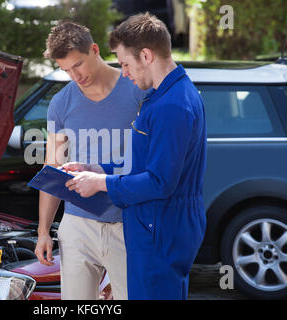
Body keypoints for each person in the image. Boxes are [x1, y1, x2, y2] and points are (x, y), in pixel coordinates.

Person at [63, 13, 207, 300]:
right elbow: (142, 161)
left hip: (160, 228)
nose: (124, 73)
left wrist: (101, 183)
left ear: (146, 55)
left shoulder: (172, 106)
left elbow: (160, 182)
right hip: (156, 225)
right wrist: (95, 168)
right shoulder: (162, 97)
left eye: (126, 64)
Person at [34, 21, 145, 300]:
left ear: (95, 50)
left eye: (78, 65)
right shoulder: (61, 103)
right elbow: (53, 169)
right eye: (66, 70)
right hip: (77, 225)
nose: (74, 75)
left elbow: (151, 159)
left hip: (127, 223)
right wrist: (43, 231)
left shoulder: (136, 90)